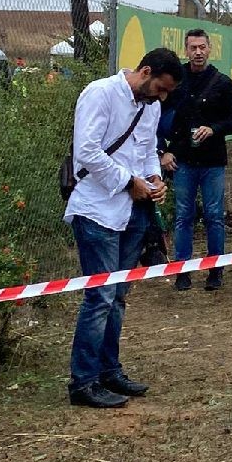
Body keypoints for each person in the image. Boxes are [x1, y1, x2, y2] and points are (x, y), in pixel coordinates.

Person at [65, 48, 183, 408]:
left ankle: (108, 371)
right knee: (99, 296)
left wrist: (154, 179)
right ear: (144, 71)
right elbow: (85, 151)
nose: (161, 97)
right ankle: (83, 382)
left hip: (133, 211)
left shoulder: (150, 106)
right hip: (96, 210)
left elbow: (148, 149)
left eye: (166, 93)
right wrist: (127, 180)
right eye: (159, 88)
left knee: (117, 297)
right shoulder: (99, 93)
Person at [159, 29, 232, 292]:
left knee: (214, 216)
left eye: (202, 47)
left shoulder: (222, 83)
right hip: (183, 161)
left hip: (213, 161)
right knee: (183, 216)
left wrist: (213, 129)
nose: (198, 52)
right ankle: (182, 270)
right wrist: (164, 152)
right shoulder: (176, 83)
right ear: (186, 50)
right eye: (193, 47)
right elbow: (155, 120)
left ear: (209, 49)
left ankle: (215, 270)